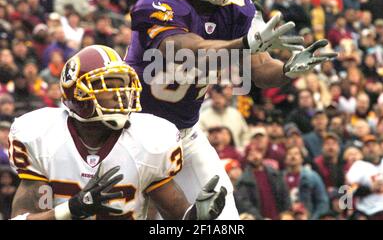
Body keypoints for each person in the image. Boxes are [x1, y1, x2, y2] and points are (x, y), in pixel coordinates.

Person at [124, 0, 336, 219]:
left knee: (223, 216)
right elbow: (187, 50)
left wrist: (287, 70)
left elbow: (260, 69)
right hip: (134, 133)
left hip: (185, 134)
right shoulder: (157, 5)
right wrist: (244, 44)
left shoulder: (237, 8)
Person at [9, 45, 226, 220]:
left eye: (124, 86)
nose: (121, 95)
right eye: (108, 86)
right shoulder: (42, 135)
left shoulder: (150, 140)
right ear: (78, 95)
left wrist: (197, 218)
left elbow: (178, 217)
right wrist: (71, 210)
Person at [346, 135, 383, 220]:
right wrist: (370, 188)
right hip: (366, 210)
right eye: (367, 146)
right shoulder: (358, 166)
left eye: (374, 145)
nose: (371, 148)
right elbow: (347, 190)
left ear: (379, 148)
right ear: (363, 150)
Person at [284, 145, 329, 220]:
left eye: (296, 153)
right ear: (285, 159)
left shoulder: (312, 176)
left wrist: (315, 218)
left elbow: (322, 201)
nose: (293, 156)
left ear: (302, 159)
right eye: (289, 154)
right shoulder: (280, 178)